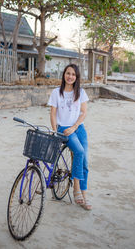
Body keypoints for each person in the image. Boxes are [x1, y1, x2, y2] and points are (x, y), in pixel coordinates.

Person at [48, 64, 92, 210]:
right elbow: (53, 114)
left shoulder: (80, 92)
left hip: (78, 128)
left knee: (84, 161)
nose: (70, 76)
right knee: (79, 152)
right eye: (68, 73)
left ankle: (84, 197)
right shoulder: (56, 92)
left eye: (73, 74)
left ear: (76, 77)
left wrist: (75, 127)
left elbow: (83, 112)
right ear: (64, 74)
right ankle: (76, 189)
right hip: (64, 129)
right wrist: (55, 132)